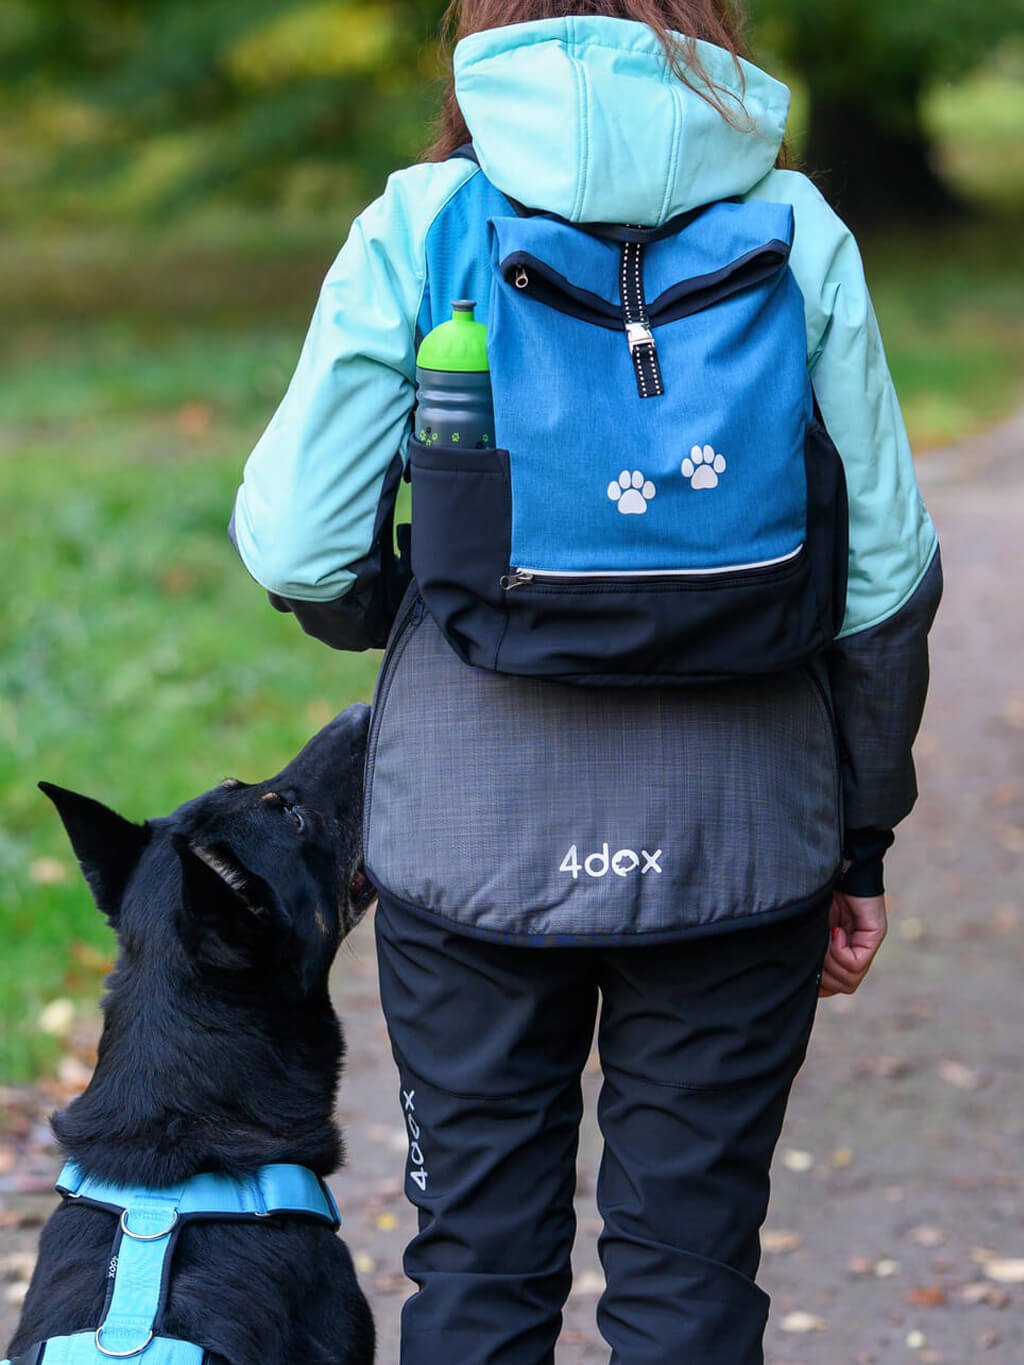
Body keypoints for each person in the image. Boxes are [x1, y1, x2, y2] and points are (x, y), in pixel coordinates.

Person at [230, 2, 942, 1360]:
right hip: (745, 835)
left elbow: (299, 543)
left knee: (478, 1273)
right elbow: (887, 581)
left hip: (467, 835)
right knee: (691, 1276)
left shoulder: (422, 222)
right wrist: (860, 842)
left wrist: (412, 602)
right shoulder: (799, 228)